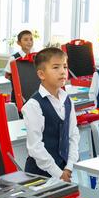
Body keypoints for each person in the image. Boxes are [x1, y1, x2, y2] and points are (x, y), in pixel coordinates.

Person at [22, 47, 79, 181]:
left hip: (64, 171)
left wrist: (69, 166)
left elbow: (73, 134)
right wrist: (58, 173)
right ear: (41, 74)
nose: (62, 71)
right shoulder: (33, 105)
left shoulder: (67, 100)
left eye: (65, 66)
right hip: (39, 176)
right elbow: (35, 147)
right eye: (55, 67)